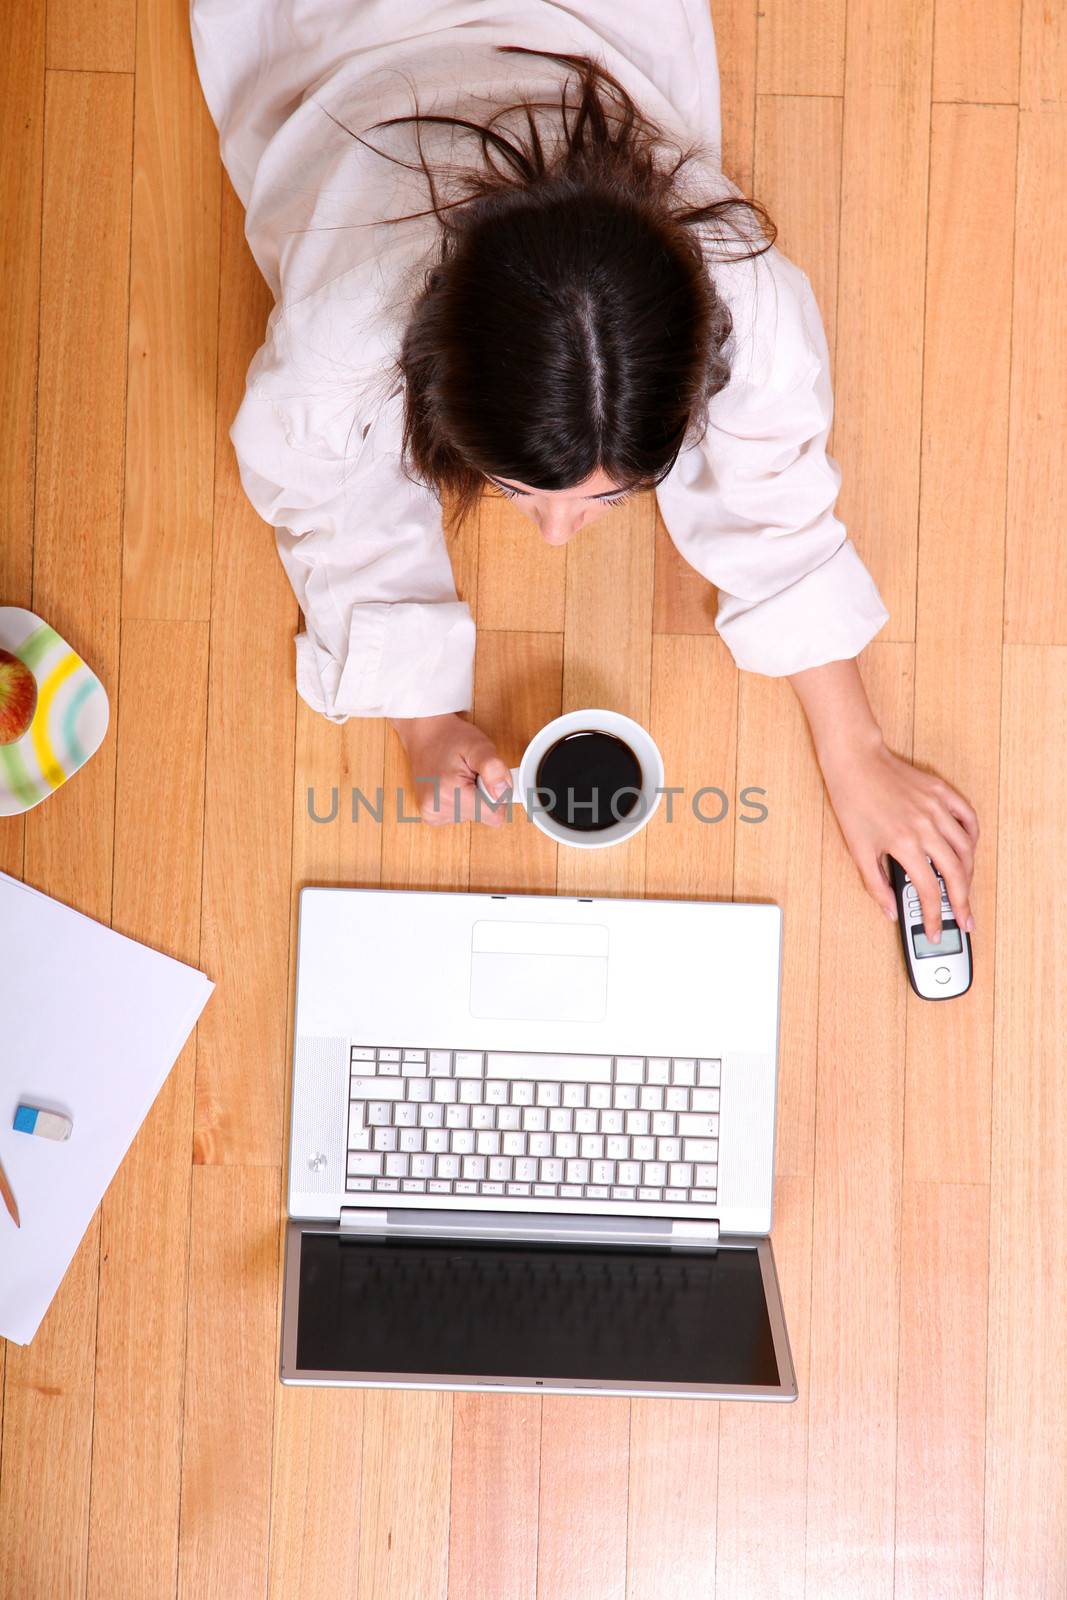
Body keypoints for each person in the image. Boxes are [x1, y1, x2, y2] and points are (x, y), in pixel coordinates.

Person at [189, 0, 978, 941]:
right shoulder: (341, 334)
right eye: (525, 493)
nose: (558, 533)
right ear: (425, 380)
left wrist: (857, 750)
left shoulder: (742, 288)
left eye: (609, 496)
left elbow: (775, 484)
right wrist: (423, 718)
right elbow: (324, 496)